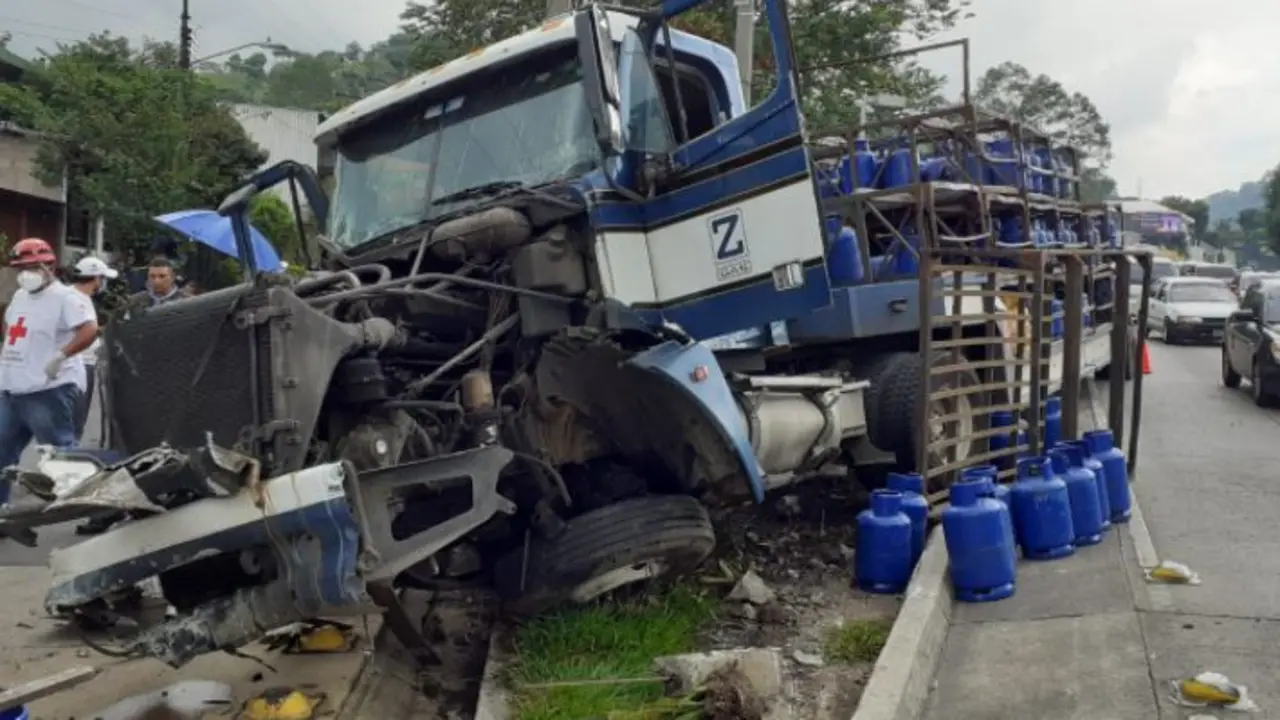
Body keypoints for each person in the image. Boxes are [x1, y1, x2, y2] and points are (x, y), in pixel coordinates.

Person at [0, 238, 98, 507]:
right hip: (12, 390)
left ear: (49, 266)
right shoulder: (21, 296)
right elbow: (12, 328)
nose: (25, 274)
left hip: (47, 390)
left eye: (31, 267)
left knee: (60, 457)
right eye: (20, 268)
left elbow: (88, 330)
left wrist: (61, 355)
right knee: (1, 453)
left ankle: (89, 507)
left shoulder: (67, 298)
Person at [67, 255, 118, 441]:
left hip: (78, 362)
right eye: (102, 279)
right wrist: (106, 330)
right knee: (75, 421)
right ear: (96, 279)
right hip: (80, 363)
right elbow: (83, 332)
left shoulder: (75, 296)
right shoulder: (77, 300)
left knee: (72, 420)